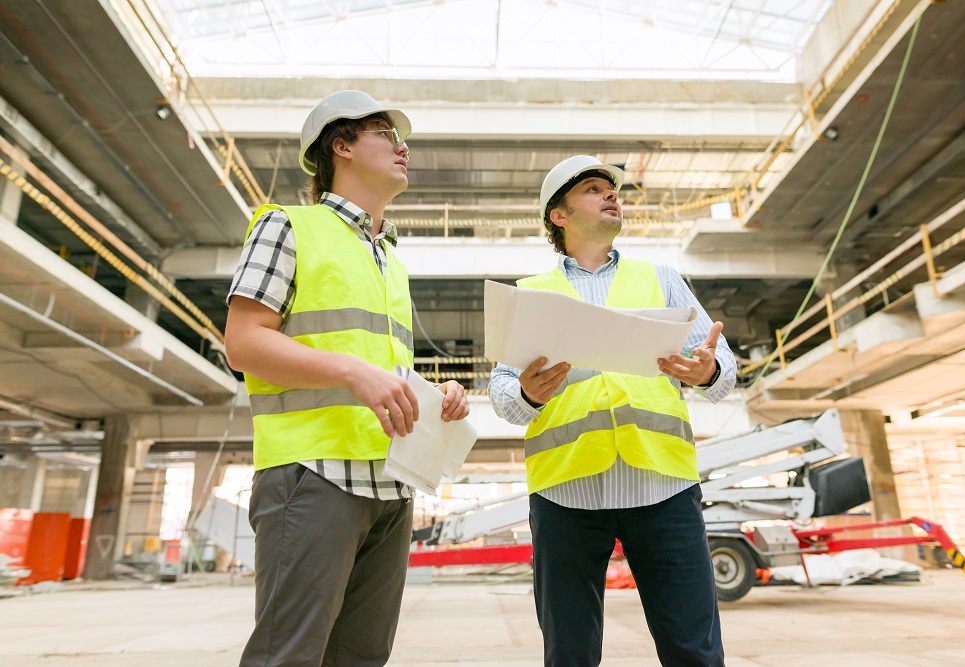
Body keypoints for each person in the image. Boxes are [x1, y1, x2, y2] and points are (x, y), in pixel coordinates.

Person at [225, 90, 470, 667]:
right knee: (287, 655)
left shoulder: (390, 259)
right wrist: (353, 372)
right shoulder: (289, 227)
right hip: (313, 475)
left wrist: (437, 400)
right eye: (386, 134)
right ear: (341, 146)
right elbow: (244, 342)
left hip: (390, 481)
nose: (402, 146)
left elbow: (382, 370)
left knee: (361, 658)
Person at [488, 155, 735, 667]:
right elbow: (503, 400)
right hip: (565, 495)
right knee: (570, 655)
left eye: (612, 189)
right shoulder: (529, 295)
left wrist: (706, 371)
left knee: (694, 651)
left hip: (663, 486)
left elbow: (723, 376)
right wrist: (530, 394)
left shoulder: (662, 278)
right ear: (559, 215)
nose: (611, 195)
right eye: (595, 189)